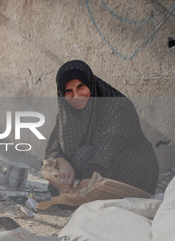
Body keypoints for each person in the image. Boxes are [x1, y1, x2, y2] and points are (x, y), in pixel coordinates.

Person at [44, 60, 159, 195]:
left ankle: (88, 191)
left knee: (82, 156)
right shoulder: (68, 110)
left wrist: (81, 188)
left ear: (91, 85)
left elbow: (106, 152)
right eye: (68, 91)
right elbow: (53, 148)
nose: (76, 96)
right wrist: (62, 163)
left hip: (133, 172)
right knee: (57, 175)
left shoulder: (118, 106)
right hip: (93, 169)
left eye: (81, 87)